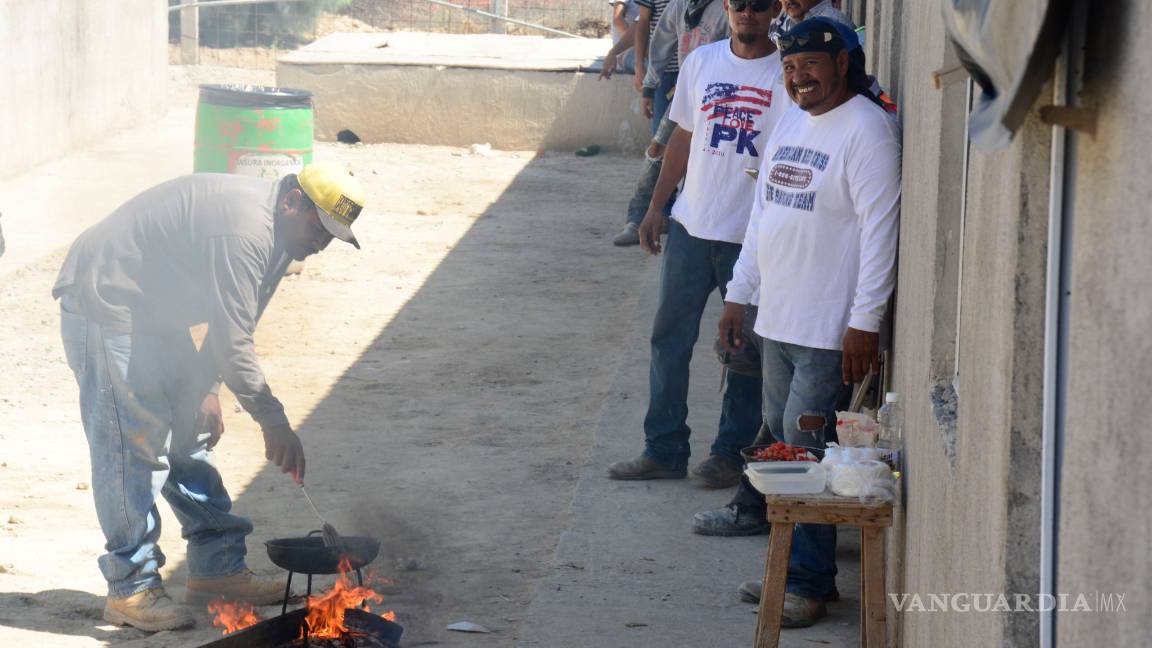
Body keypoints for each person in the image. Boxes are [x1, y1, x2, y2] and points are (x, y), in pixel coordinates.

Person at [53, 163, 367, 632]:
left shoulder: (284, 239)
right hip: (108, 300)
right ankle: (130, 587)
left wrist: (206, 389)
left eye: (331, 236)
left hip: (157, 312)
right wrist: (273, 420)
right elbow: (233, 344)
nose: (321, 244)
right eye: (318, 227)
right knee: (133, 445)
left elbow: (235, 323)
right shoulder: (244, 230)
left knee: (190, 434)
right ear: (291, 202)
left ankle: (216, 568)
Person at [717, 18, 902, 626]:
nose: (799, 78)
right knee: (787, 454)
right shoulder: (792, 121)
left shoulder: (869, 132)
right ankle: (795, 571)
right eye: (790, 68)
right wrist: (739, 296)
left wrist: (865, 322)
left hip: (828, 330)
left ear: (843, 62)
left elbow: (881, 234)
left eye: (811, 66)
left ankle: (807, 584)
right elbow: (762, 216)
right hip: (778, 320)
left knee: (808, 456)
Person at [608, 0, 790, 488]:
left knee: (744, 350)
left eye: (757, 5)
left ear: (774, 8)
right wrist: (656, 206)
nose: (747, 13)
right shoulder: (701, 63)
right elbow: (683, 137)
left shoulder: (785, 74)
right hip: (692, 226)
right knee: (669, 340)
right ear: (728, 9)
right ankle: (663, 448)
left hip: (750, 237)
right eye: (738, 4)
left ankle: (730, 453)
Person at [612, 0, 731, 246]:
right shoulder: (679, 6)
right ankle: (638, 217)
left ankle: (685, 220)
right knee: (658, 149)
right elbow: (661, 43)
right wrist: (649, 85)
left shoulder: (727, 7)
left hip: (719, 91)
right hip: (683, 88)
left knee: (705, 154)